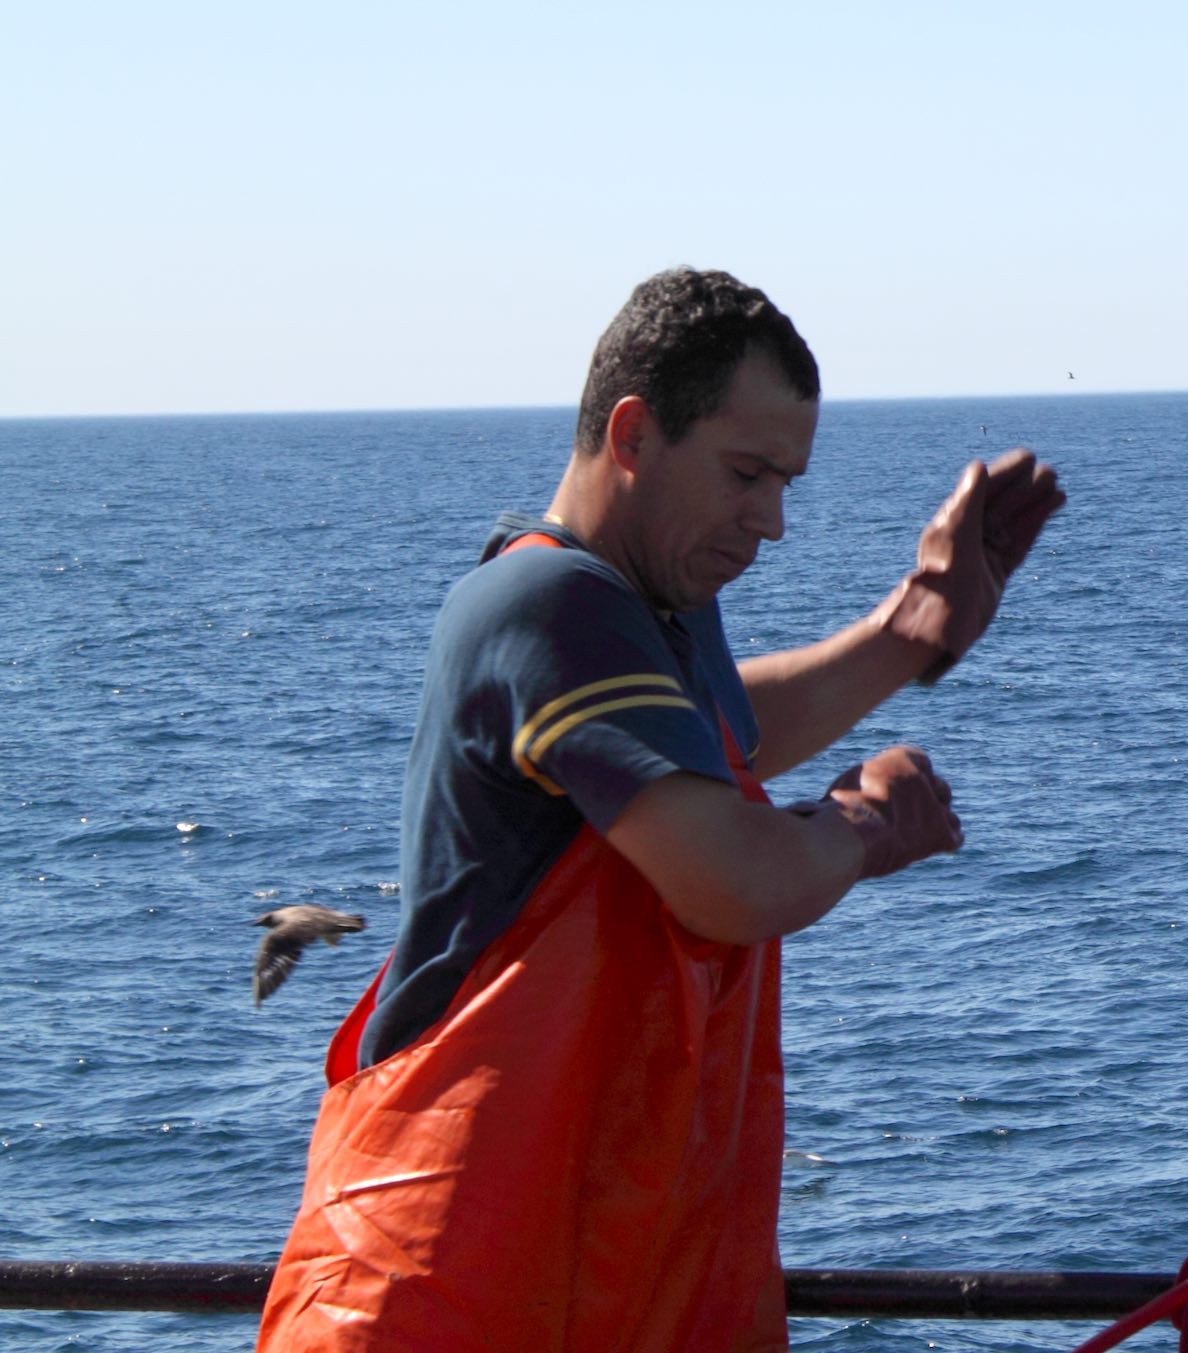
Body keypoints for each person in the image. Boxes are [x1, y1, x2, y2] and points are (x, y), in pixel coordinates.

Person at [257, 267, 1064, 1350]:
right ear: (633, 434)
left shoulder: (653, 608)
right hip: (450, 1278)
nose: (772, 521)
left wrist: (914, 627)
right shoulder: (551, 605)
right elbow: (737, 881)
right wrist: (870, 822)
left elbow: (713, 744)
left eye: (786, 482)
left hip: (584, 1272)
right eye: (746, 473)